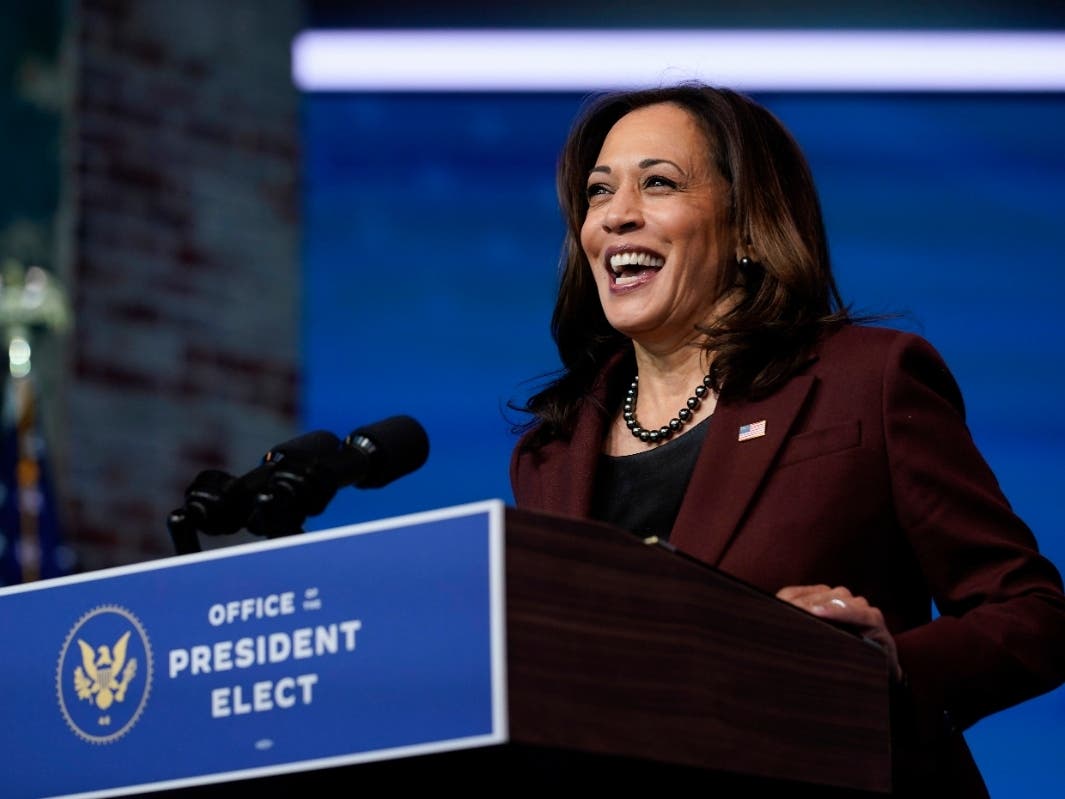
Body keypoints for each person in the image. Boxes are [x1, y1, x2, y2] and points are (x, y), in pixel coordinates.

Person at [508, 83, 1065, 796]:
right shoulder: (549, 453)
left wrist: (888, 665)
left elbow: (1031, 615)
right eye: (597, 192)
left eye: (657, 183)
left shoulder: (865, 380)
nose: (616, 216)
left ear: (745, 225)